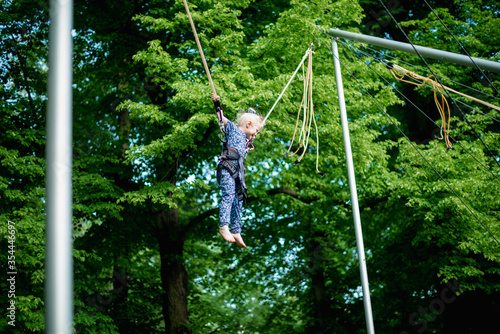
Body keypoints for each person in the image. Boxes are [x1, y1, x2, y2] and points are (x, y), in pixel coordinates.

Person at [212, 93, 265, 248]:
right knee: (228, 195)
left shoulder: (247, 141)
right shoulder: (233, 130)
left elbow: (251, 134)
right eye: (256, 130)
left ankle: (236, 229)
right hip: (228, 169)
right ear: (248, 124)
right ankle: (224, 226)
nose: (256, 134)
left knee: (239, 199)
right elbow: (221, 119)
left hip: (237, 172)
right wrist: (217, 104)